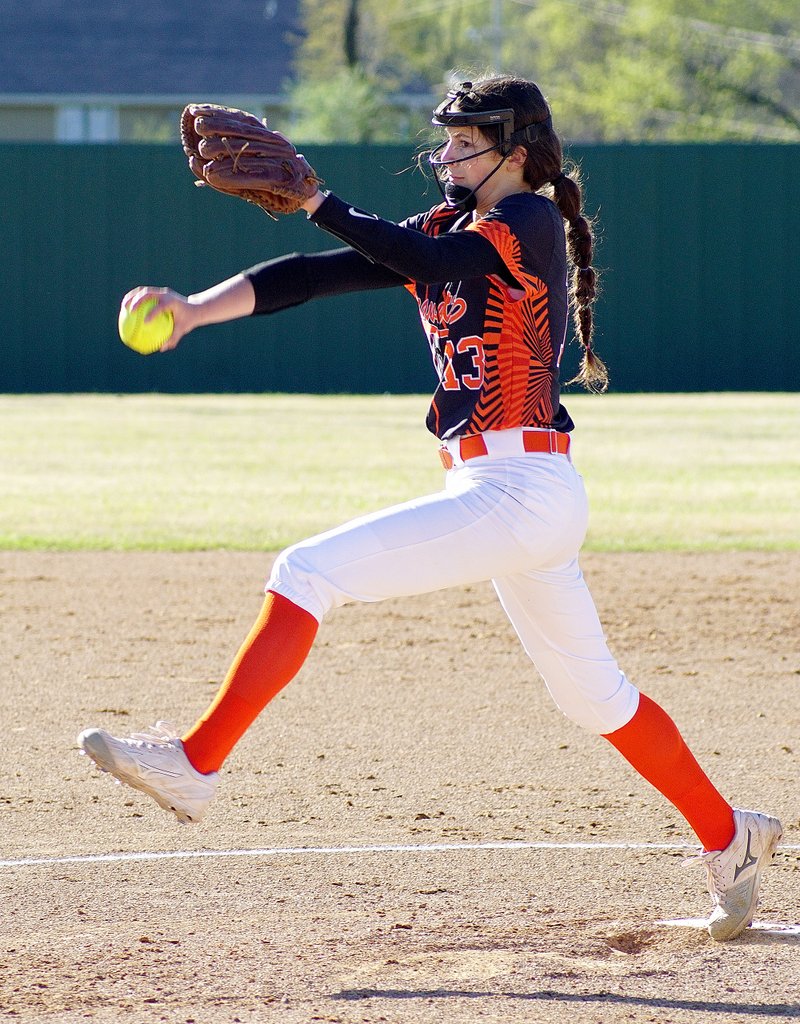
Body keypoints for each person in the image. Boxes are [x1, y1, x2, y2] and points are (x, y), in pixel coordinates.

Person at [78, 75, 781, 941]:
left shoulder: (525, 221)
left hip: (520, 489)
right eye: (445, 140)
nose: (446, 154)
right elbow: (306, 276)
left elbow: (432, 267)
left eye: (466, 142)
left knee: (306, 571)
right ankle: (731, 834)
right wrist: (194, 312)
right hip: (509, 493)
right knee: (595, 699)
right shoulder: (448, 228)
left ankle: (197, 761)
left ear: (515, 155)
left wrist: (320, 199)